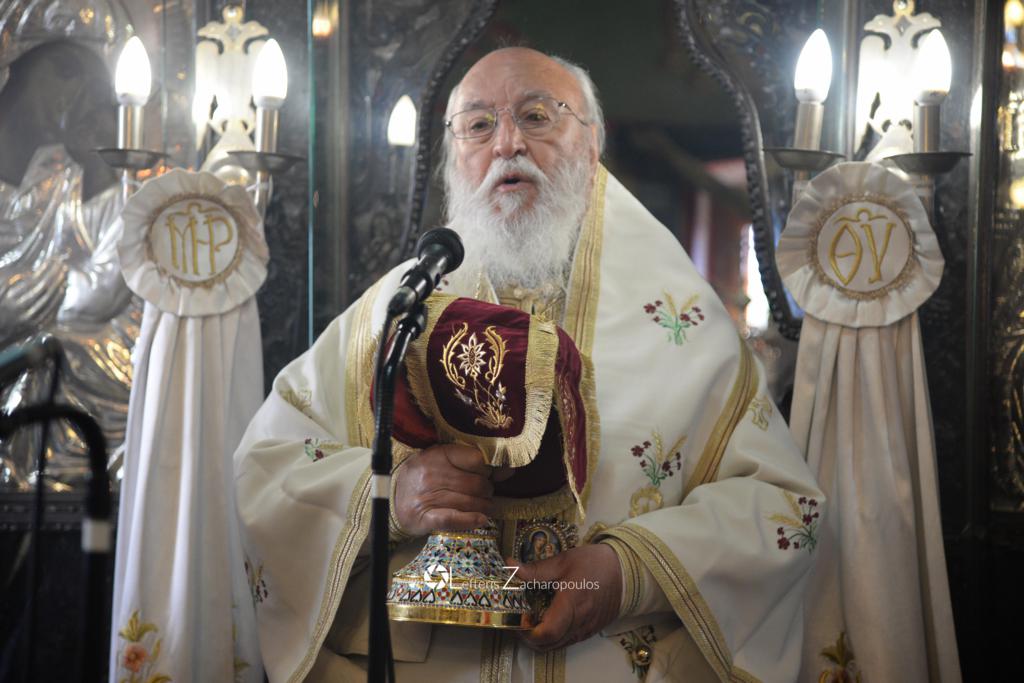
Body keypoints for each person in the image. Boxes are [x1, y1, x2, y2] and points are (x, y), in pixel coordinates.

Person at [234, 47, 825, 682]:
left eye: (537, 116)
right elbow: (267, 465)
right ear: (454, 156)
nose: (507, 144)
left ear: (592, 145)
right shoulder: (393, 312)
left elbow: (778, 507)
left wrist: (625, 573)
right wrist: (391, 494)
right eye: (478, 124)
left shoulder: (684, 328)